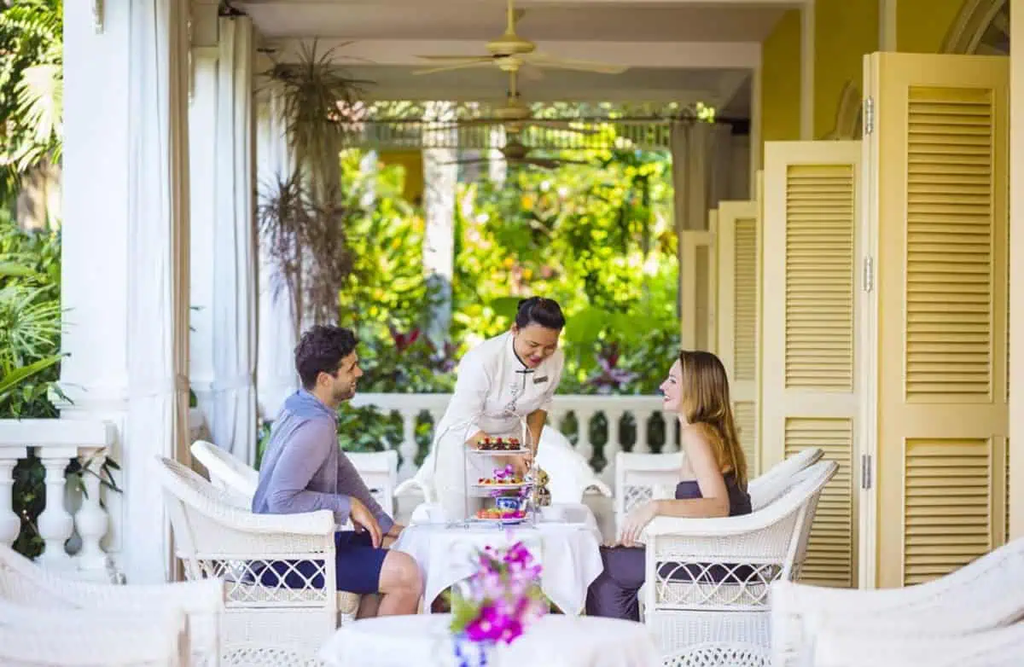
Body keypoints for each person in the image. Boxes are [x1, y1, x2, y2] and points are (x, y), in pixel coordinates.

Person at [252, 325, 422, 616]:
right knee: (406, 575)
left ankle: (364, 643)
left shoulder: (303, 406)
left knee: (392, 543)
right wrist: (347, 505)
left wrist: (383, 523)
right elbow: (280, 501)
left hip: (302, 544)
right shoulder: (315, 425)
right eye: (351, 368)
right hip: (282, 559)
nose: (359, 373)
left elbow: (342, 472)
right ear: (324, 379)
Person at [585, 350, 753, 621]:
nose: (663, 386)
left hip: (715, 567)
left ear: (696, 389)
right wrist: (642, 542)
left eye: (673, 381)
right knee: (610, 555)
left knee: (600, 565)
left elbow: (719, 506)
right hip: (721, 558)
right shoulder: (711, 432)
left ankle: (622, 644)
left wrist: (655, 507)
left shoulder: (697, 434)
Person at [430, 296, 566, 521]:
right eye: (532, 345)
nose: (540, 354)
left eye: (549, 347)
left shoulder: (556, 360)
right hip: (464, 449)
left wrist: (529, 450)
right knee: (464, 528)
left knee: (509, 525)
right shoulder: (482, 360)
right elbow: (460, 423)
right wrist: (508, 454)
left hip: (510, 446)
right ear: (515, 329)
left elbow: (542, 404)